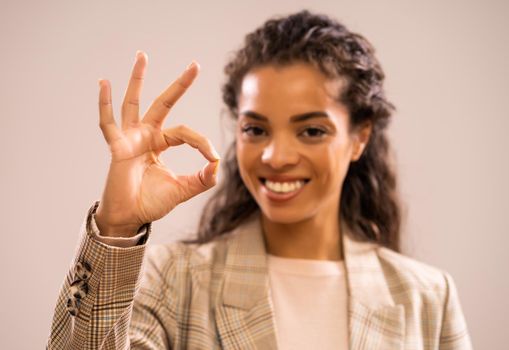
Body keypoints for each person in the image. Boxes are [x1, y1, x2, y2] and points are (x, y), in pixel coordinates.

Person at [47, 10, 473, 350]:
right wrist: (117, 225)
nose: (275, 156)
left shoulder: (427, 297)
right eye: (256, 129)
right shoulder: (172, 280)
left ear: (359, 137)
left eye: (311, 130)